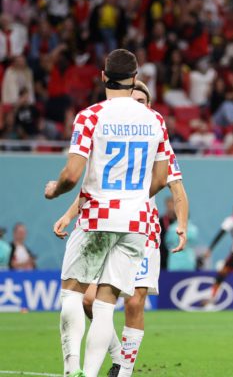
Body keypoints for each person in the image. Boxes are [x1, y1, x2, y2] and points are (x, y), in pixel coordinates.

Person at [43, 49, 173, 377]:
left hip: (97, 216)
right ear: (135, 77)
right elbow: (161, 179)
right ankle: (90, 374)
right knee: (104, 305)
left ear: (103, 76)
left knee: (72, 293)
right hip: (137, 221)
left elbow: (72, 176)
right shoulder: (155, 119)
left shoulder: (90, 116)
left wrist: (54, 190)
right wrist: (132, 198)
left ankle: (71, 370)